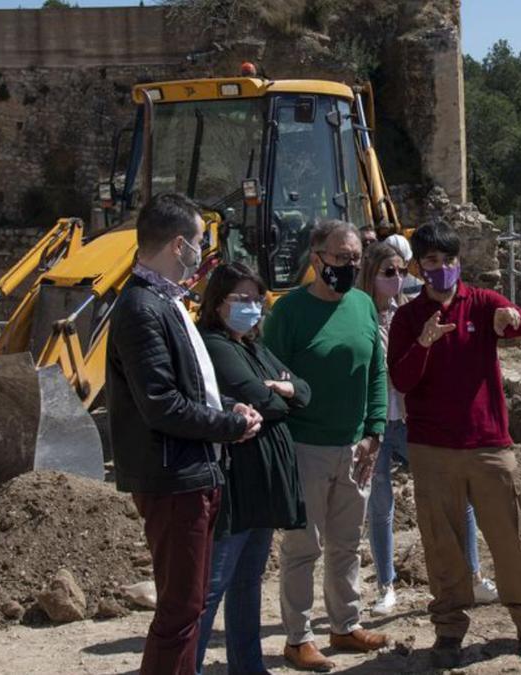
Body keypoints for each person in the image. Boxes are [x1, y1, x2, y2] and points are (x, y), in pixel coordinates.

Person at [106, 192, 263, 675]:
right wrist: (231, 425)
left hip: (192, 472)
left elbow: (186, 387)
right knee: (179, 610)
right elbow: (162, 405)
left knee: (187, 606)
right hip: (173, 477)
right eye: (199, 241)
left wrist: (222, 408)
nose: (203, 251)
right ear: (178, 245)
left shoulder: (164, 302)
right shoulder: (140, 308)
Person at [388, 222, 521, 669]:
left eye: (450, 261)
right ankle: (449, 631)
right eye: (433, 263)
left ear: (459, 263)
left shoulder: (480, 303)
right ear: (420, 267)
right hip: (432, 449)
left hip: (489, 445)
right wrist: (423, 344)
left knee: (507, 539)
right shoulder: (407, 318)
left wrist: (512, 320)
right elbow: (400, 379)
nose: (443, 270)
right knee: (442, 543)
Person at [264, 220, 390, 672]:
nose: (350, 267)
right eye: (341, 258)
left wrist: (375, 431)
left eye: (356, 259)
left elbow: (377, 370)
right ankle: (298, 638)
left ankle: (345, 624)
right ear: (316, 258)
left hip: (354, 446)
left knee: (346, 544)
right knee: (303, 546)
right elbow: (270, 378)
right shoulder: (289, 312)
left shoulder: (362, 306)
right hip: (305, 447)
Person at [357, 242, 497, 617]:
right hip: (376, 421)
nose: (399, 279)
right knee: (381, 505)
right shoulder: (358, 315)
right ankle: (386, 586)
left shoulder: (411, 313)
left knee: (456, 498)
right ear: (371, 274)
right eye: (390, 272)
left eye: (403, 271)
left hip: (410, 418)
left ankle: (473, 575)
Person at [194, 261, 312, 675]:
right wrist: (281, 391)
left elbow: (303, 391)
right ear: (217, 302)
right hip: (236, 482)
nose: (251, 306)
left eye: (256, 299)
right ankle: (185, 665)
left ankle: (247, 666)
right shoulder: (216, 344)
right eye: (240, 299)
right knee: (214, 584)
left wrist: (281, 388)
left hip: (263, 485)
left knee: (247, 582)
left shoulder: (252, 345)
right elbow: (262, 399)